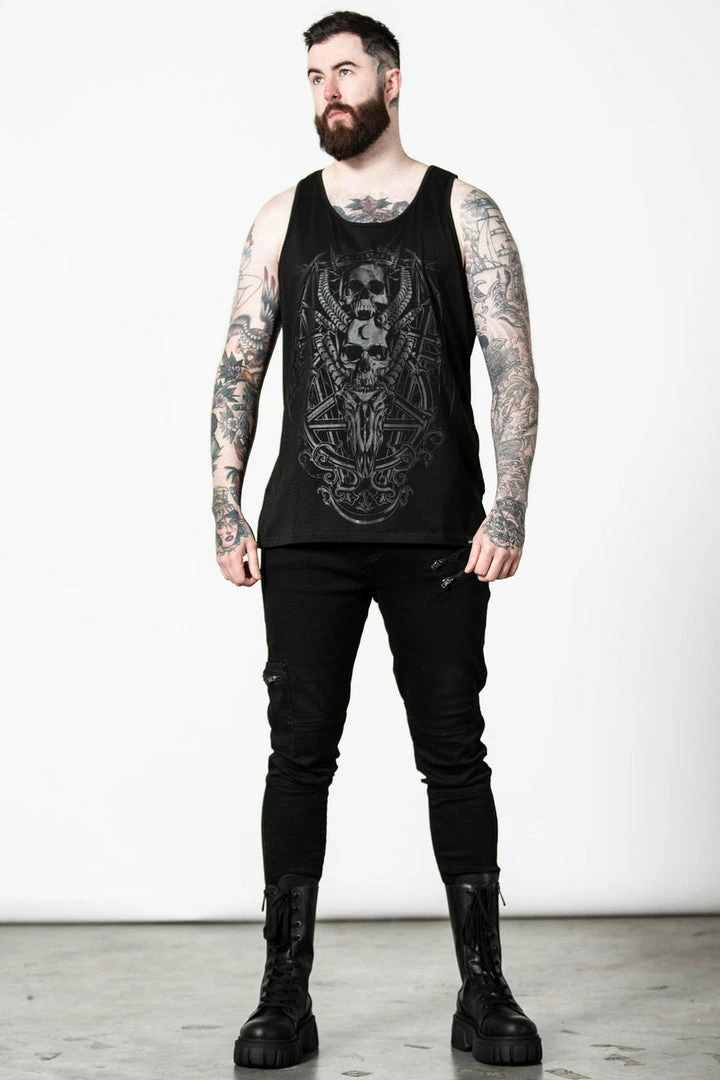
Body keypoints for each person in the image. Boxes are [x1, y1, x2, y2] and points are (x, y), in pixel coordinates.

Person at [210, 9, 541, 1071]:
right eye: (314, 76)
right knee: (298, 755)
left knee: (454, 753)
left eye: (345, 71)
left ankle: (484, 989)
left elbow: (513, 365)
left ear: (392, 81)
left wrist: (509, 507)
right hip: (304, 537)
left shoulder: (466, 211)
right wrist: (225, 504)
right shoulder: (281, 218)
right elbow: (238, 365)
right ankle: (283, 993)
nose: (328, 92)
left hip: (439, 533)